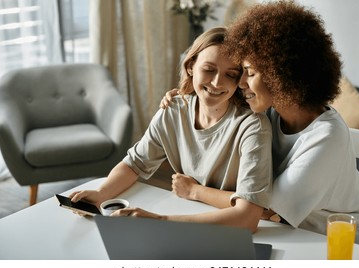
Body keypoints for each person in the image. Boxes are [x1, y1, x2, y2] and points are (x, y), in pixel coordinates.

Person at [161, 1, 359, 251]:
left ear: (279, 73)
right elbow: (217, 101)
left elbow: (264, 210)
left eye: (249, 72)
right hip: (297, 237)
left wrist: (195, 191)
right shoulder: (267, 111)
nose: (241, 83)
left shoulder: (326, 136)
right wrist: (184, 95)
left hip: (357, 248)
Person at [70, 27, 273, 233]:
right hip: (188, 215)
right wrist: (101, 193)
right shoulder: (174, 109)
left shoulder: (253, 127)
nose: (216, 82)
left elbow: (248, 219)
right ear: (191, 65)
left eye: (230, 74)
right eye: (209, 69)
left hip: (227, 231)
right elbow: (135, 164)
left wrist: (159, 220)